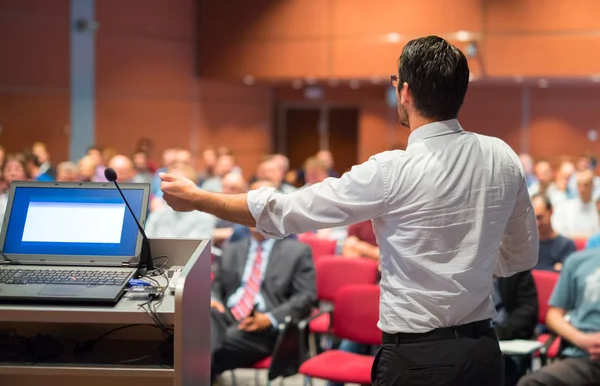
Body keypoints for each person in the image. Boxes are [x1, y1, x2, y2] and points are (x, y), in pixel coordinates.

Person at [160, 35, 538, 385]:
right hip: (484, 351)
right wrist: (470, 263)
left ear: (404, 92)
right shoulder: (501, 155)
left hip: (417, 359)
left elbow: (284, 212)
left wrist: (198, 199)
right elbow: (522, 255)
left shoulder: (392, 170)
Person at [210, 189, 316, 381]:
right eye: (252, 213)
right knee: (200, 324)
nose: (256, 219)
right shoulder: (232, 250)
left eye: (262, 214)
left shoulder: (297, 252)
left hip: (263, 327)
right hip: (226, 316)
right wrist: (214, 299)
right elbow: (216, 286)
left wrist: (269, 318)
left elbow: (305, 297)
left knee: (196, 349)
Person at [517, 250, 600, 386]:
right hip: (583, 357)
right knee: (531, 383)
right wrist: (582, 340)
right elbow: (554, 315)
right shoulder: (578, 261)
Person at [532, 194, 576, 271]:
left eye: (540, 217)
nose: (536, 223)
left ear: (551, 211)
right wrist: (553, 268)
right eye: (532, 218)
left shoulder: (566, 245)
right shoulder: (526, 246)